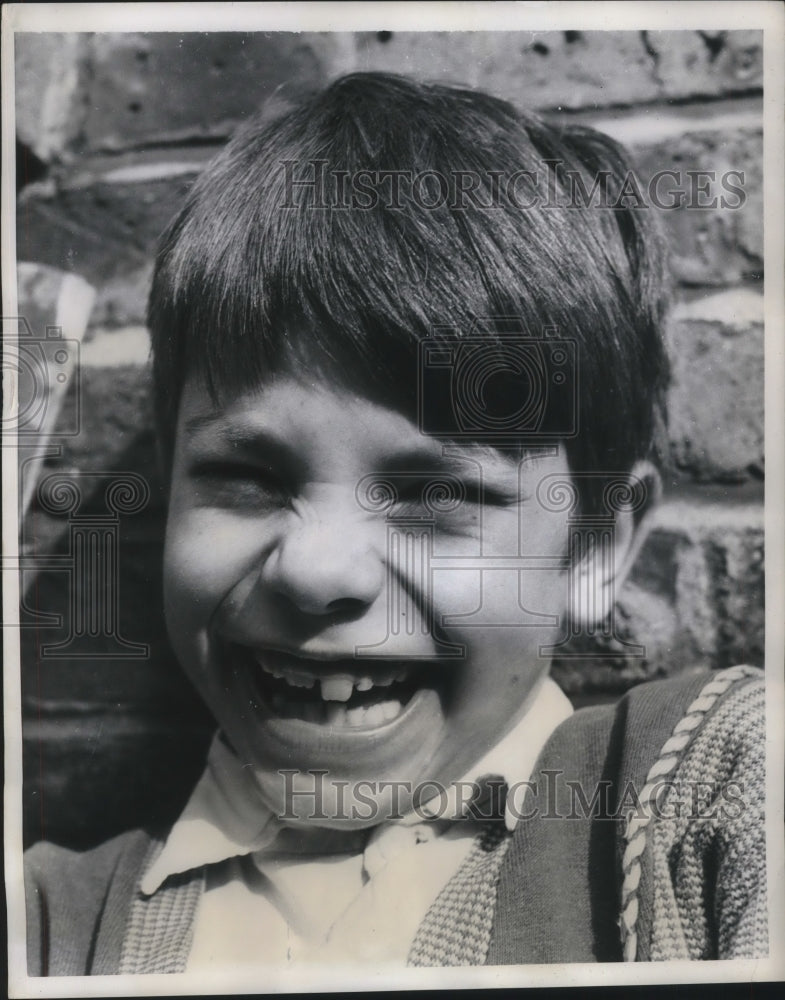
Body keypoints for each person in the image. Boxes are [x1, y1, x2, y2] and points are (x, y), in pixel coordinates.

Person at [24, 72, 766, 973]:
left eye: (436, 495)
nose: (316, 569)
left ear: (596, 547)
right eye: (245, 476)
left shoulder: (710, 791)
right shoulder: (49, 929)